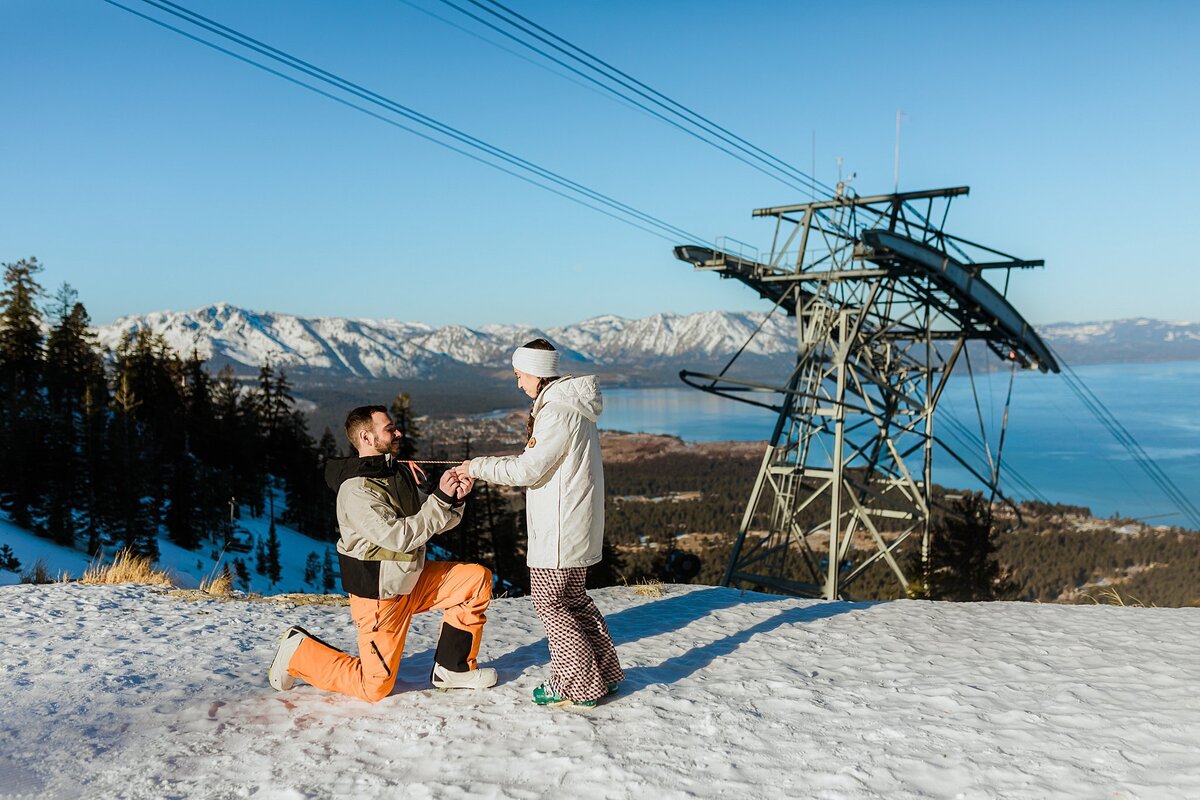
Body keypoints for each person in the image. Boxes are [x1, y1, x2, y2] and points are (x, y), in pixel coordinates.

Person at [267, 405, 497, 701]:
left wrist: (453, 500)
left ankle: (453, 668)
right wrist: (440, 500)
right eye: (390, 429)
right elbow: (400, 537)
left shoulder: (394, 474)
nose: (398, 432)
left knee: (475, 580)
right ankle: (298, 652)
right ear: (366, 437)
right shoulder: (357, 491)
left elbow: (429, 519)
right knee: (374, 686)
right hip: (380, 596)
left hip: (411, 580)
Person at [454, 338, 623, 708]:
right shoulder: (570, 405)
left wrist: (476, 466)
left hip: (559, 530)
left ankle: (576, 686)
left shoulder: (558, 411)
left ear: (537, 371)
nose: (518, 384)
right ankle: (605, 675)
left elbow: (529, 469)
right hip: (574, 524)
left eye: (519, 375)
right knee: (574, 602)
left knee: (552, 606)